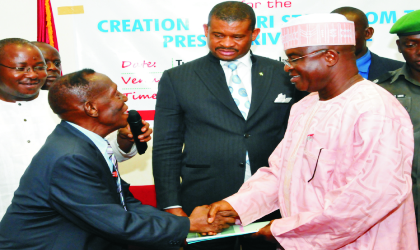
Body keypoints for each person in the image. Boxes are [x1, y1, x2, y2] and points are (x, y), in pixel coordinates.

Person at [207, 13, 418, 249]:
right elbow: (280, 172)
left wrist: (288, 230)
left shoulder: (375, 108)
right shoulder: (305, 105)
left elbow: (369, 198)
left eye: (295, 58)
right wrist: (236, 205)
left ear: (329, 57)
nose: (288, 68)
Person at [0, 69, 236, 250]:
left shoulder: (85, 143)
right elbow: (117, 223)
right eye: (115, 94)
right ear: (92, 108)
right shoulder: (70, 157)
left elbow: (125, 204)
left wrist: (183, 219)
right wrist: (188, 225)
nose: (124, 98)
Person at [152, 1, 304, 249]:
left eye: (237, 36)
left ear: (254, 34)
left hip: (274, 202)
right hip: (204, 203)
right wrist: (171, 205)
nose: (226, 43)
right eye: (218, 35)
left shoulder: (284, 73)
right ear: (206, 30)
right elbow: (166, 146)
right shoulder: (178, 78)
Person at [0, 38, 150, 218]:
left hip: (69, 224)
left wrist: (123, 141)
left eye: (39, 68)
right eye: (21, 68)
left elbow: (94, 162)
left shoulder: (64, 106)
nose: (32, 75)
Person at [377, 9, 420, 247]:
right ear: (399, 46)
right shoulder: (383, 89)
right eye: (412, 44)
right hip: (401, 206)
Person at [332, 7, 403, 80]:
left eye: (346, 32)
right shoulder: (321, 72)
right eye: (332, 33)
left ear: (367, 33)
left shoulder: (400, 70)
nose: (339, 38)